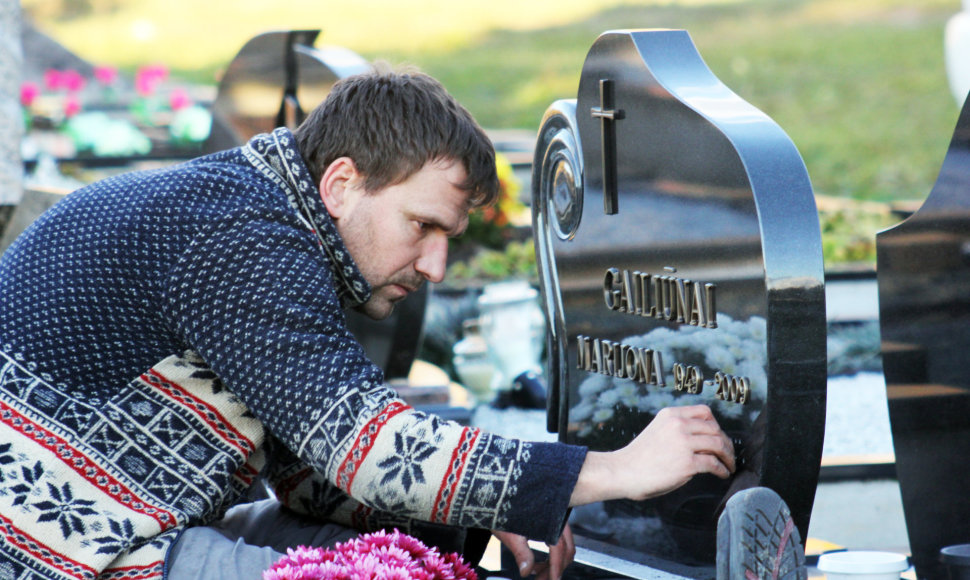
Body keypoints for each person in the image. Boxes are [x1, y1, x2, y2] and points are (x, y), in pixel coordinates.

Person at [0, 67, 736, 580]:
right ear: (342, 182)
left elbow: (308, 480)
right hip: (55, 555)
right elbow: (367, 448)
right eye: (422, 226)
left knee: (390, 553)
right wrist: (614, 472)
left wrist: (485, 513)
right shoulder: (238, 237)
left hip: (118, 531)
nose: (437, 266)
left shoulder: (256, 216)